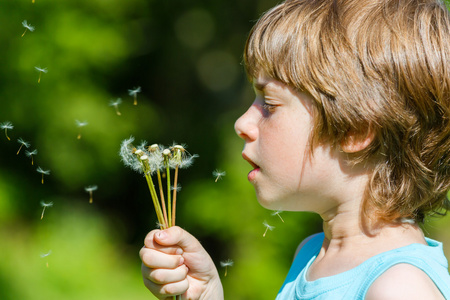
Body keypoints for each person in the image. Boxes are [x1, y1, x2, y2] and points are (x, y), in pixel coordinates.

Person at [139, 0, 450, 298]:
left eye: (270, 104)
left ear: (355, 130)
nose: (242, 122)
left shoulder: (399, 288)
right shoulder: (311, 254)